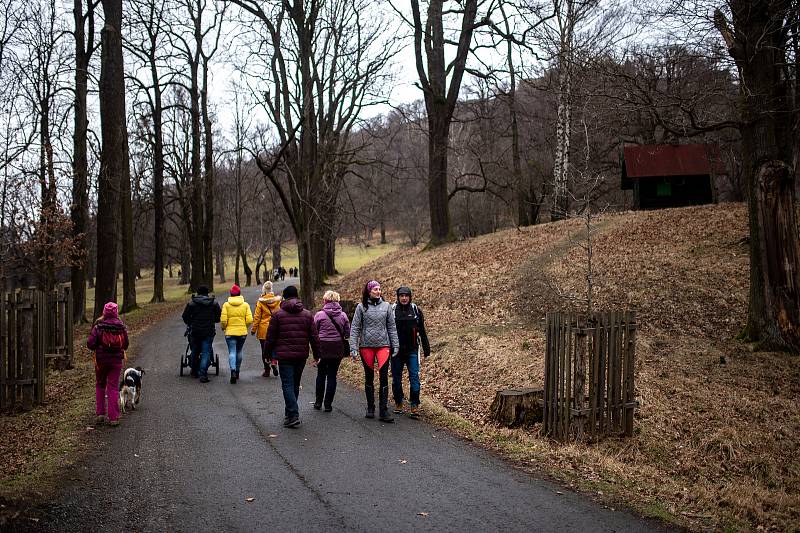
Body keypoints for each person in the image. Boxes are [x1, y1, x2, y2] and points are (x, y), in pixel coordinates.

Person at [264, 285, 320, 428]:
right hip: (301, 355)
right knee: (295, 384)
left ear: (284, 297)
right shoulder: (307, 315)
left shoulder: (277, 315)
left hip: (284, 356)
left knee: (287, 385)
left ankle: (293, 414)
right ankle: (290, 413)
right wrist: (317, 354)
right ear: (297, 296)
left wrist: (267, 354)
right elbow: (314, 337)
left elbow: (270, 337)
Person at [349, 280, 398, 422]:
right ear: (369, 291)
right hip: (366, 346)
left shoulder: (387, 306)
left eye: (379, 289)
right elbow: (355, 328)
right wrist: (353, 347)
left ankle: (383, 411)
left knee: (383, 377)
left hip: (384, 346)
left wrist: (396, 345)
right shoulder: (361, 307)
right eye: (375, 289)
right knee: (369, 377)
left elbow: (392, 327)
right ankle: (370, 407)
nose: (378, 291)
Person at [391, 286, 431, 418]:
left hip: (412, 350)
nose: (404, 298)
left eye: (406, 296)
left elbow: (422, 331)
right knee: (396, 379)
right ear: (398, 297)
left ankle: (414, 405)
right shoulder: (392, 310)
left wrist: (426, 349)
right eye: (401, 296)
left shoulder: (416, 310)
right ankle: (398, 402)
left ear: (410, 297)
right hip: (396, 351)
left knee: (414, 377)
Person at [87, 302, 129, 426]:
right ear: (116, 312)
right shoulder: (121, 327)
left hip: (101, 361)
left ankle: (100, 414)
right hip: (115, 362)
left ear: (104, 312)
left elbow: (90, 344)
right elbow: (126, 344)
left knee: (100, 385)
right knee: (113, 387)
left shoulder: (98, 326)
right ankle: (113, 418)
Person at [312, 290, 350, 412]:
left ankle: (318, 402)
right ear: (338, 301)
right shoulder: (343, 315)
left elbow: (314, 331)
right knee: (332, 376)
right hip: (337, 348)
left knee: (321, 374)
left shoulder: (319, 315)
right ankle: (328, 404)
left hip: (322, 347)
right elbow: (347, 333)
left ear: (325, 301)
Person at [181, 285, 222, 383]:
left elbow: (185, 316)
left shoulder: (192, 303)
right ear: (207, 293)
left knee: (194, 350)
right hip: (208, 331)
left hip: (195, 331)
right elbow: (218, 316)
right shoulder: (213, 303)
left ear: (198, 293)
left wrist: (190, 322)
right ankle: (203, 373)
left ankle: (194, 370)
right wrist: (213, 321)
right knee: (206, 351)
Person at [220, 284, 253, 384]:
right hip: (242, 333)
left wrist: (224, 328)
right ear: (239, 294)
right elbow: (250, 320)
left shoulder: (226, 305)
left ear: (231, 294)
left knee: (232, 352)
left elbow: (223, 320)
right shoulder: (245, 305)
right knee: (239, 351)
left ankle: (233, 371)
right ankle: (237, 372)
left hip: (230, 333)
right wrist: (244, 326)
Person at [251, 281, 281, 377]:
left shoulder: (260, 302)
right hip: (275, 328)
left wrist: (253, 329)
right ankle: (273, 362)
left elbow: (257, 317)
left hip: (263, 329)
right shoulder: (278, 301)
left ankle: (267, 370)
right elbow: (281, 315)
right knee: (274, 347)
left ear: (263, 289)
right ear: (272, 289)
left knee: (264, 349)